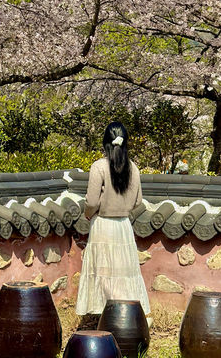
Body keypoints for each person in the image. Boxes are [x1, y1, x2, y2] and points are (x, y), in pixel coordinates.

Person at [75, 121, 151, 318]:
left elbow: (91, 200)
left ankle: (105, 316)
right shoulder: (133, 168)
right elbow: (138, 200)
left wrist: (90, 213)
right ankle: (127, 318)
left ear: (105, 142)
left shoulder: (98, 166)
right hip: (123, 226)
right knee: (124, 273)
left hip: (102, 225)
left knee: (103, 272)